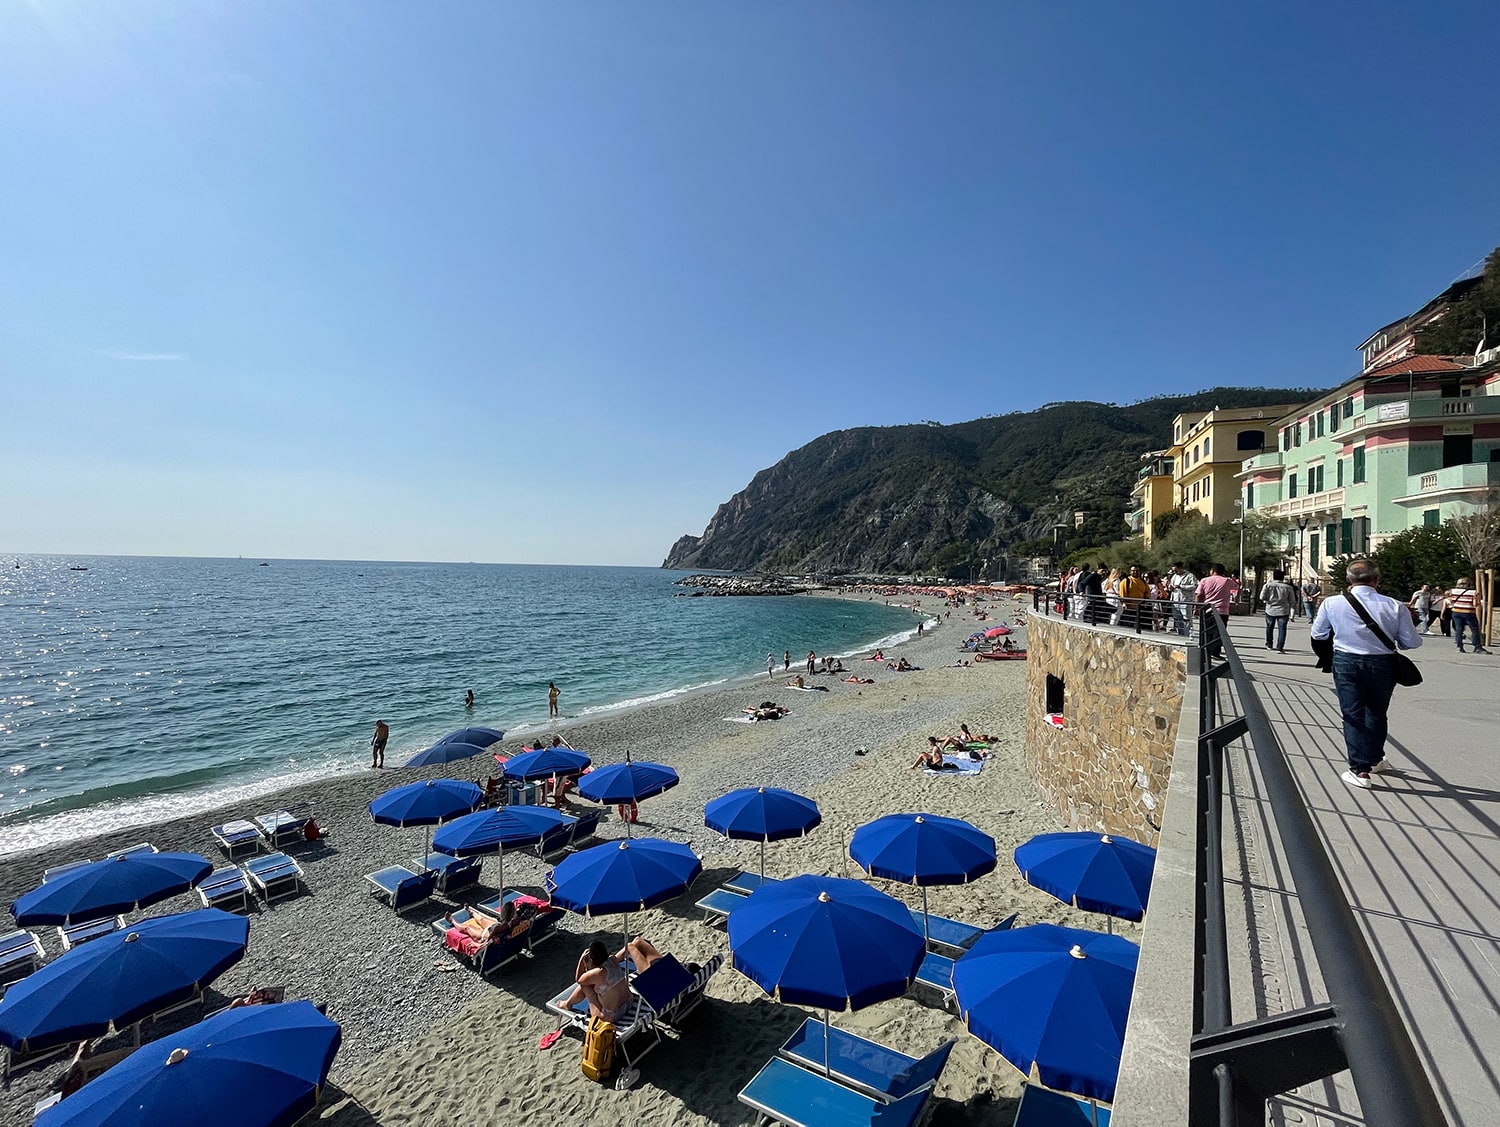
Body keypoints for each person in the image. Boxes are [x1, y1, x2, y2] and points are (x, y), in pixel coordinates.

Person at [1310, 559, 1422, 789]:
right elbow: (1411, 642)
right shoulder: (1394, 605)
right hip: (1382, 663)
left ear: (1349, 580)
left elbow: (1318, 634)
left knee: (1353, 713)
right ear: (1376, 580)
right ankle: (1374, 758)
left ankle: (1359, 769)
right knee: (1377, 712)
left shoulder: (1331, 603)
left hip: (1346, 660)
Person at [1196, 564, 1235, 658]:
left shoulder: (1204, 580)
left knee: (1208, 631)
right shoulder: (1227, 581)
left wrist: (1196, 608)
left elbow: (1198, 595)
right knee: (1220, 632)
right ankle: (1215, 651)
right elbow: (1237, 586)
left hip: (1208, 610)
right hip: (1222, 610)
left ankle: (1206, 651)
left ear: (1213, 570)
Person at [1447, 578, 1487, 653]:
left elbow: (1450, 601)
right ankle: (1477, 647)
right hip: (1469, 612)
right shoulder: (1474, 592)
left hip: (1456, 611)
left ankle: (1459, 647)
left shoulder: (1452, 591)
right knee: (1474, 629)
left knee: (1459, 629)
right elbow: (1475, 604)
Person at [1259, 570, 1295, 653]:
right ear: (1283, 577)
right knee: (1282, 629)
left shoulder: (1267, 585)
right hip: (1283, 610)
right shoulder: (1288, 587)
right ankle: (1280, 647)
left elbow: (1261, 597)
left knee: (1269, 627)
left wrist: (1268, 599)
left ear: (1273, 576)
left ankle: (1269, 644)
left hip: (1270, 609)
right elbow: (1292, 601)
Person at [1167, 562, 1198, 637]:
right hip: (1175, 600)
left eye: (1176, 570)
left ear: (1180, 568)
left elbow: (1194, 585)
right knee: (1177, 618)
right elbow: (1171, 585)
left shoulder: (1189, 576)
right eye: (1173, 570)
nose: (1175, 572)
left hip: (1185, 600)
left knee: (1186, 618)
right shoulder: (1174, 576)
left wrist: (1181, 586)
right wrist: (1170, 587)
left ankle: (1188, 634)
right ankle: (1181, 634)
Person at [1117, 566, 1150, 630]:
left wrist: (1145, 601)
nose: (1135, 572)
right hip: (1129, 608)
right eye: (1133, 570)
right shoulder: (1126, 581)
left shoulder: (1143, 582)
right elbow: (1122, 594)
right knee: (1127, 627)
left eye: (1137, 570)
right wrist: (1124, 603)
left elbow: (1147, 592)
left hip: (1140, 608)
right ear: (1130, 572)